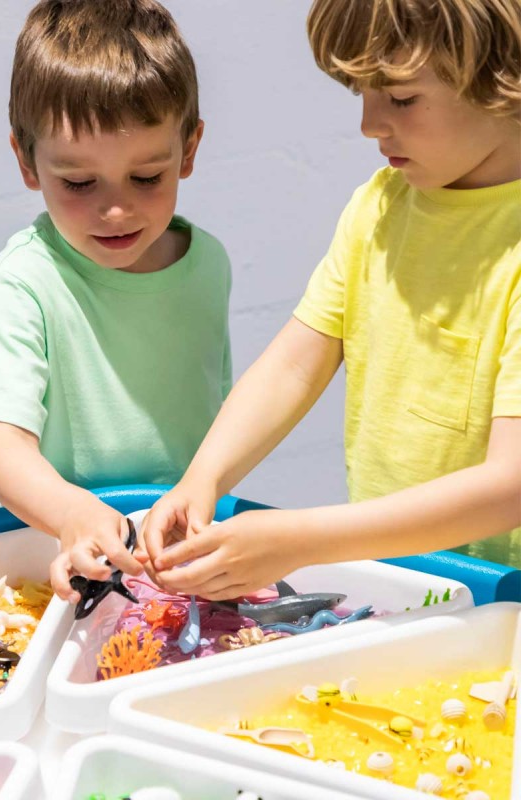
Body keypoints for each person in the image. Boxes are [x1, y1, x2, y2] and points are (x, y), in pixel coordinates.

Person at [141, 0, 521, 598]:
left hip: (505, 603)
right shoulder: (379, 207)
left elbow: (511, 484)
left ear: (507, 79)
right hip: (407, 584)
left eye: (400, 98)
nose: (370, 124)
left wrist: (301, 539)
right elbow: (297, 362)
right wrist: (202, 479)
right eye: (360, 94)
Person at [0, 0, 232, 602]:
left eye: (147, 177)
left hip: (181, 553)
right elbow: (2, 449)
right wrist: (73, 514)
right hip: (75, 562)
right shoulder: (19, 286)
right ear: (27, 161)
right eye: (79, 183)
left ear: (189, 149)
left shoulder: (206, 262)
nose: (117, 209)